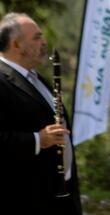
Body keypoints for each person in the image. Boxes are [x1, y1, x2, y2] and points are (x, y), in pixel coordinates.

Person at [0, 13, 82, 214]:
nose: (44, 42)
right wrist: (38, 140)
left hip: (60, 190)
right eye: (36, 38)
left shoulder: (36, 77)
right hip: (27, 197)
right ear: (16, 45)